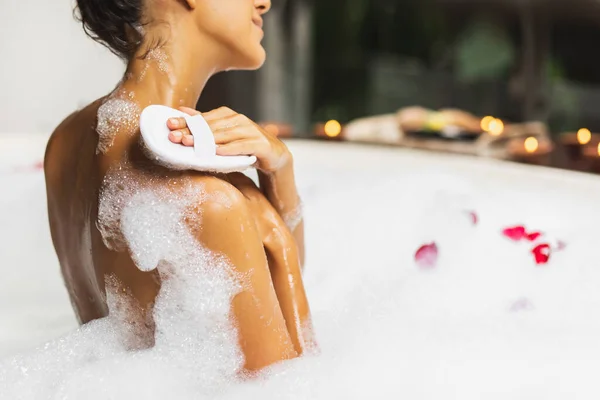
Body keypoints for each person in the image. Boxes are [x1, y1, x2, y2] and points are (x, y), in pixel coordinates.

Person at [44, 0, 315, 373]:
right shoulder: (209, 201)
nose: (264, 2)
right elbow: (287, 385)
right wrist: (263, 217)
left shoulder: (64, 142)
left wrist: (279, 169)